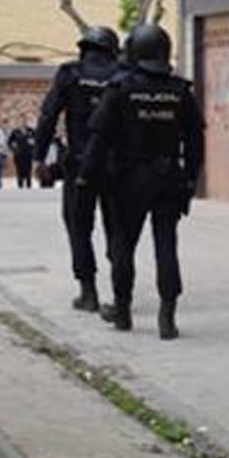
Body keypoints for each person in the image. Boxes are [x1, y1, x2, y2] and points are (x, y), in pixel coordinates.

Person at [79, 23, 204, 340]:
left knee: (123, 247)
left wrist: (85, 178)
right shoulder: (180, 91)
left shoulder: (120, 89)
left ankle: (123, 312)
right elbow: (195, 143)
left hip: (128, 180)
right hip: (168, 180)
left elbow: (99, 139)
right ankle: (167, 316)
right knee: (167, 246)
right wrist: (190, 180)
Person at [35, 26, 122, 313]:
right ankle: (121, 293)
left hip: (80, 164)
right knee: (117, 228)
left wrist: (39, 158)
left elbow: (48, 116)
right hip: (115, 166)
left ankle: (89, 292)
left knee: (78, 226)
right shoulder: (123, 75)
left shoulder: (70, 74)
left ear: (84, 48)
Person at [8, 124, 36, 189]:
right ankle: (20, 185)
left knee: (28, 169)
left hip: (28, 154)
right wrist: (14, 149)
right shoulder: (15, 132)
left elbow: (36, 140)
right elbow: (9, 142)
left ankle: (29, 185)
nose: (23, 122)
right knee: (19, 169)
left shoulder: (31, 131)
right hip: (18, 154)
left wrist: (32, 145)